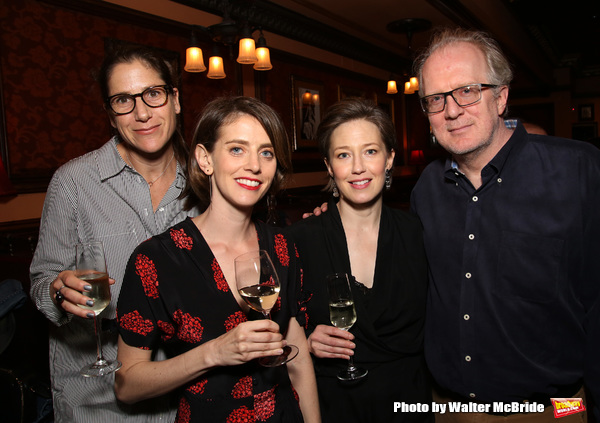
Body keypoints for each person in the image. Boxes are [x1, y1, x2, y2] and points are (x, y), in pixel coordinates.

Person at [410, 27, 600, 422]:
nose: (451, 109)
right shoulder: (425, 189)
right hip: (449, 409)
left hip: (553, 411)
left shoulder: (580, 170)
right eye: (435, 99)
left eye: (467, 90)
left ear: (501, 96)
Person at [115, 96, 321, 423]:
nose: (254, 164)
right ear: (205, 159)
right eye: (237, 149)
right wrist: (214, 353)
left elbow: (296, 358)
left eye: (266, 152)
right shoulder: (156, 260)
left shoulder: (282, 245)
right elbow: (127, 384)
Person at [29, 45, 196, 422]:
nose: (141, 113)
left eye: (153, 94)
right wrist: (59, 291)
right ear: (109, 113)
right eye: (123, 100)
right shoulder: (73, 183)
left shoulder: (204, 183)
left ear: (175, 100)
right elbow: (40, 283)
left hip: (186, 396)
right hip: (98, 401)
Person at [288, 98, 432, 422]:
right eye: (343, 155)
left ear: (390, 158)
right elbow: (274, 340)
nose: (357, 168)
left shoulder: (420, 234)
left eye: (370, 151)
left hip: (408, 405)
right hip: (332, 407)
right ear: (328, 166)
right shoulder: (299, 241)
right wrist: (306, 344)